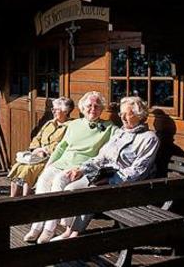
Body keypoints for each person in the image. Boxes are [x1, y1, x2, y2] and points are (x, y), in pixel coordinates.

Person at [51, 96, 160, 241]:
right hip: (103, 176)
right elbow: (101, 157)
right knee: (70, 188)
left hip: (127, 186)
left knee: (88, 193)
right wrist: (82, 169)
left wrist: (110, 180)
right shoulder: (120, 133)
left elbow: (139, 171)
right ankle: (68, 230)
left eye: (127, 114)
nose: (122, 117)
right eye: (121, 113)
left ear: (139, 115)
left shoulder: (149, 139)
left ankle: (75, 235)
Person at [24, 91, 117, 244]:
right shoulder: (74, 124)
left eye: (97, 106)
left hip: (79, 166)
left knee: (58, 182)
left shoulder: (108, 127)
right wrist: (49, 165)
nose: (92, 109)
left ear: (102, 109)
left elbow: (121, 138)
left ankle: (49, 229)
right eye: (89, 106)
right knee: (43, 180)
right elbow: (61, 147)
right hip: (61, 162)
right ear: (82, 108)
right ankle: (36, 226)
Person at [7, 97, 75, 197]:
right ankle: (12, 198)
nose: (53, 112)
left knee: (27, 170)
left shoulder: (70, 126)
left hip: (50, 158)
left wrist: (44, 150)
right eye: (53, 109)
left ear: (65, 111)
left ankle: (27, 198)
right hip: (37, 155)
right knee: (19, 167)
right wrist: (35, 149)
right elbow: (37, 138)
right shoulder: (50, 123)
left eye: (56, 109)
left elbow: (63, 144)